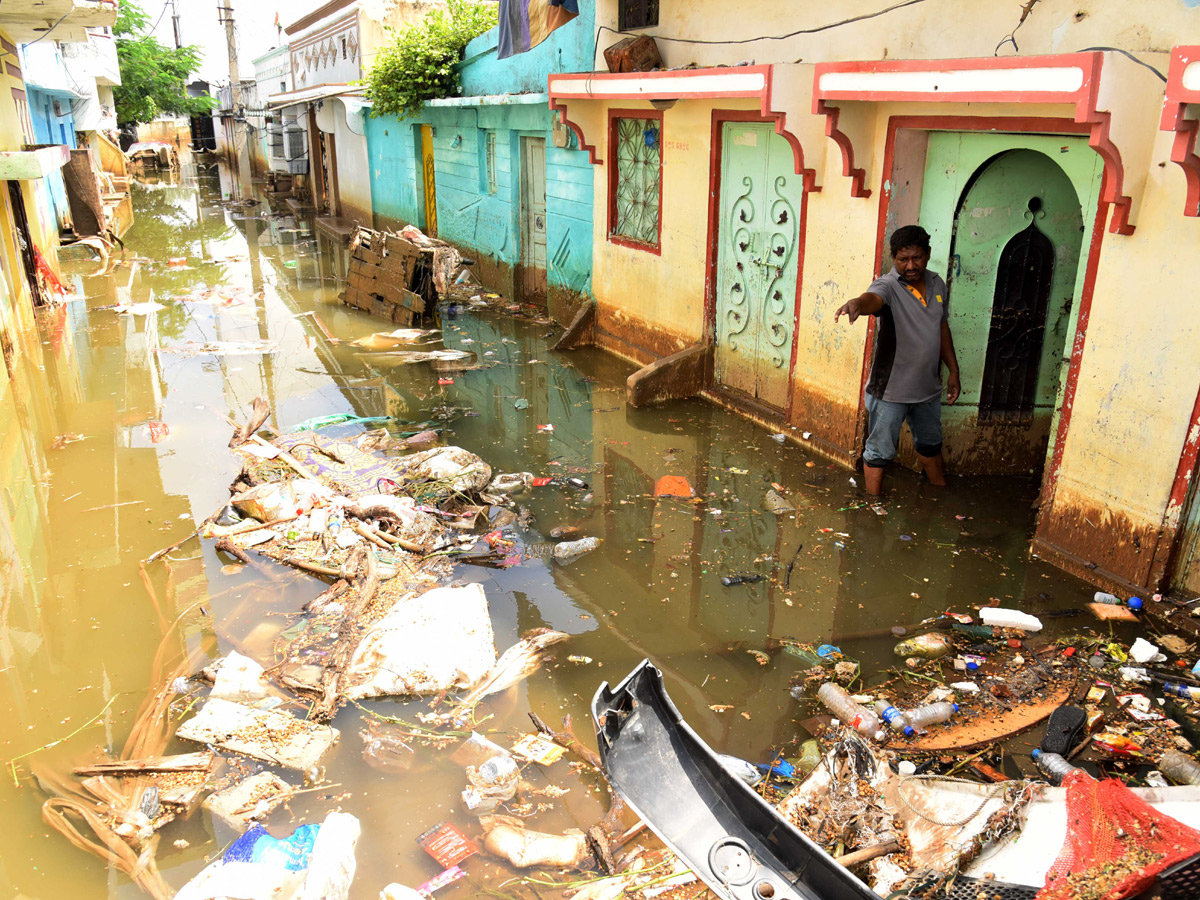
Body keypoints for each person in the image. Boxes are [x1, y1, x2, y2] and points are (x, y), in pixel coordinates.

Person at [834, 224, 960, 496]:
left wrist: (953, 371)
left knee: (930, 444)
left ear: (927, 254)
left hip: (927, 388)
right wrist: (857, 303)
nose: (911, 265)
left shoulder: (938, 283)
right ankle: (872, 503)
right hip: (891, 389)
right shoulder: (888, 285)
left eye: (917, 258)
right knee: (879, 451)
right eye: (903, 259)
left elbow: (942, 328)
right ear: (894, 258)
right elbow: (872, 299)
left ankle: (940, 496)